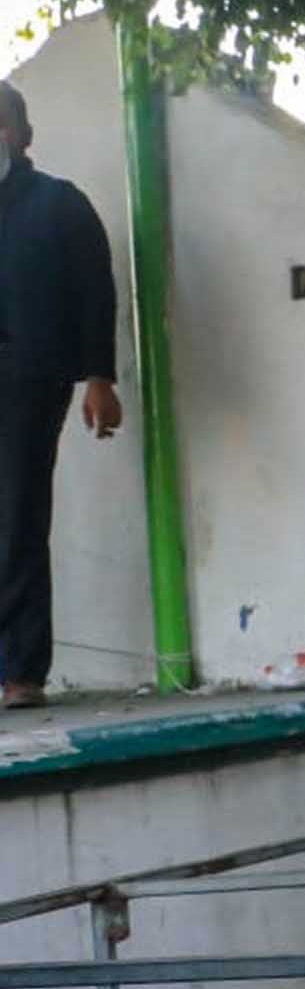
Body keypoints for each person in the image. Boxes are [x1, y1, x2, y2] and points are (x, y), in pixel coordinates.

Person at [0, 80, 123, 707]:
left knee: (17, 520)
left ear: (24, 136)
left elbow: (96, 293)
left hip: (29, 384)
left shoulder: (60, 205)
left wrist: (100, 378)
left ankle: (21, 673)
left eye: (1, 124)